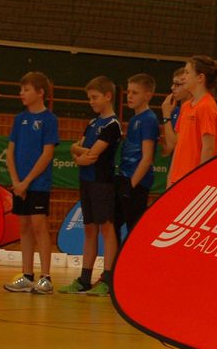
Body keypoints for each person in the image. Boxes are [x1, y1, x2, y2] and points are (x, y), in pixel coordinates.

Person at [60, 76, 122, 296]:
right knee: (89, 229)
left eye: (94, 97)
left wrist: (81, 153)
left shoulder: (112, 125)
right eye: (89, 98)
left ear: (108, 96)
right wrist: (81, 154)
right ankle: (84, 279)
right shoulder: (92, 123)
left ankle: (107, 279)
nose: (91, 102)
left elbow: (92, 155)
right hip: (86, 181)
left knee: (107, 229)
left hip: (102, 183)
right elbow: (77, 149)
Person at [2, 72, 59, 295]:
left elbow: (47, 154)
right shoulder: (19, 119)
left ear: (40, 92)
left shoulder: (49, 120)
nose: (21, 93)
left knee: (39, 227)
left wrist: (26, 182)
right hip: (20, 184)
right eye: (21, 89)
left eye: (26, 89)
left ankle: (46, 278)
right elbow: (10, 152)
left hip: (38, 184)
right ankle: (27, 275)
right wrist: (16, 182)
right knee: (24, 227)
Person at [162, 55, 217, 188]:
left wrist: (198, 181)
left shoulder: (207, 106)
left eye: (187, 72)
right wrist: (170, 177)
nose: (183, 77)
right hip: (177, 179)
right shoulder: (186, 106)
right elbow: (178, 145)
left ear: (200, 78)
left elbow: (208, 148)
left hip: (192, 181)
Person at [115, 73, 159, 243]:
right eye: (129, 92)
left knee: (134, 229)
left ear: (147, 95)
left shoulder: (148, 120)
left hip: (136, 182)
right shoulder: (135, 119)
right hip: (126, 177)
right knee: (114, 224)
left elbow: (147, 158)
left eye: (135, 92)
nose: (130, 96)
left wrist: (131, 185)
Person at [159, 67, 190, 159]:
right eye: (173, 84)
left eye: (177, 84)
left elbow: (172, 146)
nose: (172, 87)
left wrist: (166, 116)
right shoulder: (175, 111)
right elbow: (165, 151)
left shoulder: (192, 112)